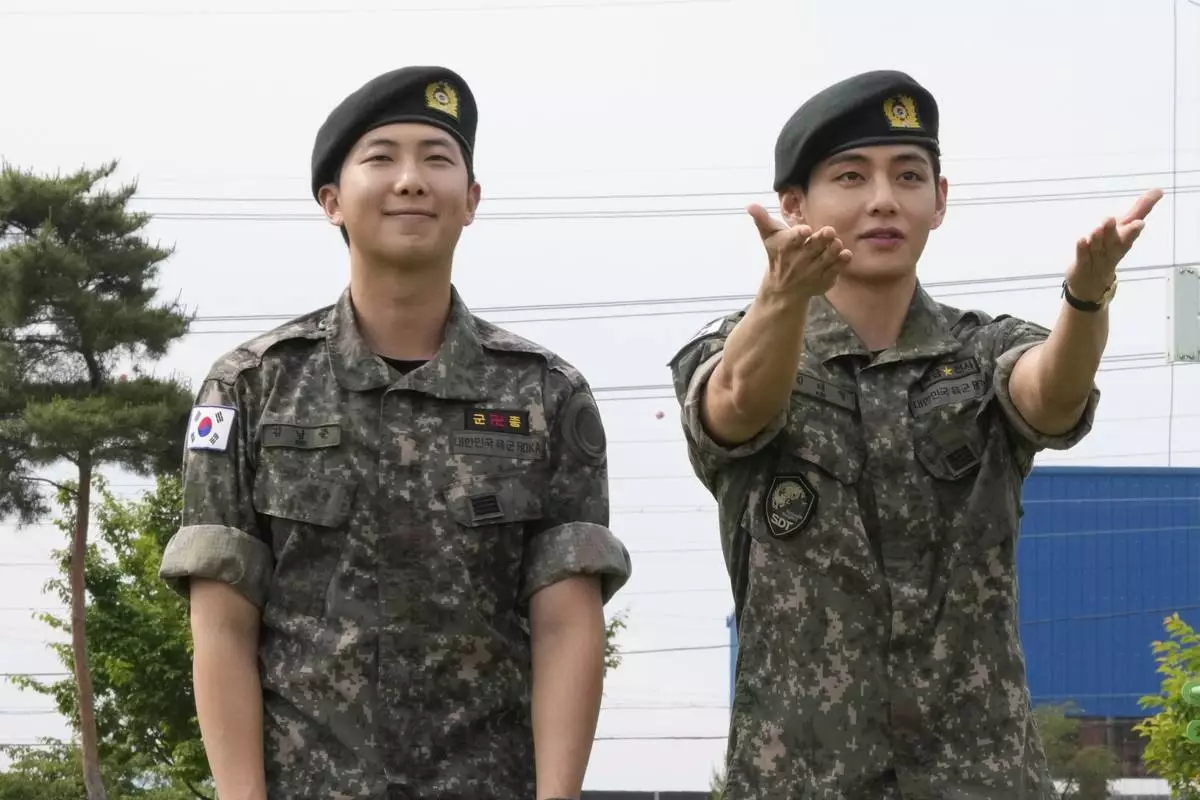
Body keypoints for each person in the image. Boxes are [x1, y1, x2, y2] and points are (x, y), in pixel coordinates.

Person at [668, 69, 1162, 799]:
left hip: (981, 776)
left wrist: (1086, 300)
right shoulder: (741, 348)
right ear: (795, 205)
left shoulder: (982, 350)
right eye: (851, 176)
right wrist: (781, 295)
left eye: (908, 175)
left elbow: (1050, 397)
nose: (882, 200)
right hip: (803, 780)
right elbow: (736, 406)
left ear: (940, 201)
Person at [159, 65, 633, 800]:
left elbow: (566, 625)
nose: (411, 180)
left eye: (438, 160)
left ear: (471, 201)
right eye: (381, 158)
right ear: (331, 201)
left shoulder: (545, 393)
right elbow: (222, 625)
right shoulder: (250, 388)